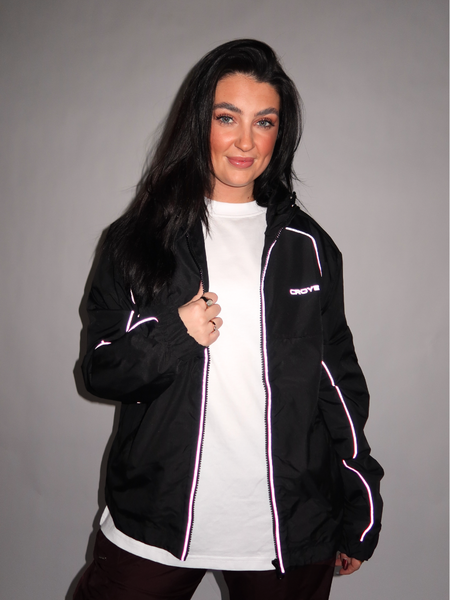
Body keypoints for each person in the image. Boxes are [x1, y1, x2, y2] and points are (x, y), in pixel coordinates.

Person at [74, 39, 383, 600]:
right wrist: (175, 335)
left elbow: (337, 384)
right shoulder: (137, 240)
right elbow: (100, 371)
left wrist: (361, 499)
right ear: (199, 123)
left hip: (287, 528)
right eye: (226, 118)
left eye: (264, 122)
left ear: (279, 134)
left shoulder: (308, 247)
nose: (245, 141)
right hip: (156, 519)